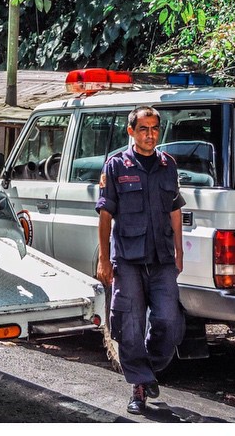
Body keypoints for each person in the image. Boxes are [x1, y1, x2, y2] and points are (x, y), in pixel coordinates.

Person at [96, 105, 186, 415]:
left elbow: (175, 210)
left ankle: (146, 370)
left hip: (162, 258)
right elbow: (106, 215)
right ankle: (139, 386)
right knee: (129, 326)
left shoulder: (167, 165)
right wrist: (104, 260)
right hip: (129, 259)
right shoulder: (116, 166)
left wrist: (180, 250)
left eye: (155, 129)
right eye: (143, 129)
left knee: (168, 322)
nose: (150, 135)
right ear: (131, 131)